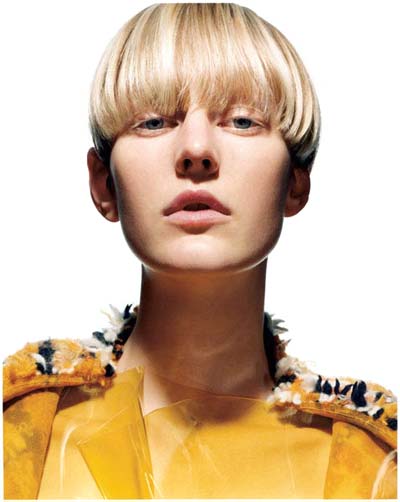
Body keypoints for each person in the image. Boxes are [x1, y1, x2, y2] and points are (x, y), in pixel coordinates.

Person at [3, 3, 397, 499]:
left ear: (295, 184)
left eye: (242, 121)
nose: (195, 150)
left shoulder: (371, 464)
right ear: (104, 185)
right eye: (152, 122)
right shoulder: (18, 428)